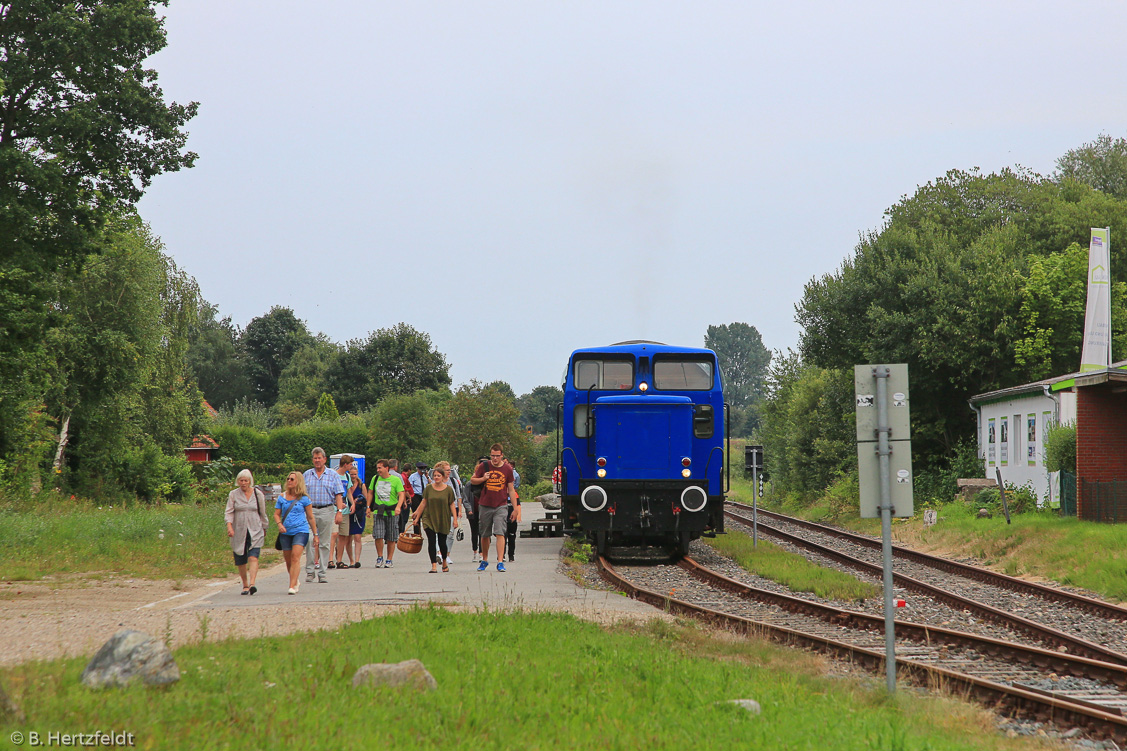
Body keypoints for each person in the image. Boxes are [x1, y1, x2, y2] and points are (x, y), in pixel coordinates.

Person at [470, 443, 518, 572]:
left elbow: (511, 490)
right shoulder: (484, 466)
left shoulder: (507, 469)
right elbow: (472, 480)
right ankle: (484, 559)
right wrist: (483, 478)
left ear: (502, 455)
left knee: (500, 533)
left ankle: (500, 561)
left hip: (501, 505)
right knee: (485, 534)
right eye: (492, 456)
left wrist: (515, 508)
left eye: (497, 456)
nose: (495, 459)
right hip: (485, 505)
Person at [304, 447, 345, 583]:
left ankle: (322, 572)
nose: (317, 460)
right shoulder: (307, 475)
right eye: (315, 458)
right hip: (310, 511)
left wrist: (339, 512)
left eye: (319, 458)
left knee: (325, 542)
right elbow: (301, 495)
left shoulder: (333, 475)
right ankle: (310, 571)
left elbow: (338, 495)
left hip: (327, 510)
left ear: (324, 459)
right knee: (310, 540)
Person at [225, 469, 269, 595]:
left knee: (253, 556)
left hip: (255, 529)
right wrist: (229, 526)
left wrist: (265, 527)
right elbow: (229, 511)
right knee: (241, 558)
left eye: (246, 481)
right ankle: (244, 584)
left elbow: (262, 511)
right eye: (241, 481)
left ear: (250, 481)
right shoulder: (233, 494)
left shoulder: (257, 494)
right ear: (238, 481)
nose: (243, 483)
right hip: (239, 530)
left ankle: (252, 583)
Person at [410, 461, 459, 573]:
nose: (436, 478)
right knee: (431, 541)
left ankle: (444, 561)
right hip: (429, 518)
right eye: (435, 476)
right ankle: (433, 565)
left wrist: (455, 519)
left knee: (442, 542)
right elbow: (423, 502)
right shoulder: (428, 488)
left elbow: (452, 504)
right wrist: (417, 517)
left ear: (443, 477)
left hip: (443, 517)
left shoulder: (448, 490)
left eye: (438, 476)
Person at [274, 471, 317, 595]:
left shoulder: (304, 498)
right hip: (286, 531)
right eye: (288, 479)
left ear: (298, 481)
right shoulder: (282, 497)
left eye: (292, 479)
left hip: (301, 530)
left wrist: (315, 534)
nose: (289, 481)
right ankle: (295, 580)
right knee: (288, 560)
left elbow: (310, 517)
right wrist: (279, 524)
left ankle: (292, 585)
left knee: (295, 557)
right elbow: (276, 514)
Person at [364, 459, 406, 568]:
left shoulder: (395, 480)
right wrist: (368, 507)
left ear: (386, 468)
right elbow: (370, 492)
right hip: (379, 511)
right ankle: (380, 557)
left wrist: (398, 507)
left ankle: (389, 559)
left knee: (391, 537)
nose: (378, 470)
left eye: (380, 468)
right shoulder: (375, 478)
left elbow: (401, 494)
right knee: (378, 535)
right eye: (377, 468)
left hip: (392, 512)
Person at [330, 455, 354, 569]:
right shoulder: (334, 475)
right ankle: (330, 559)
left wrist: (352, 503)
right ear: (345, 464)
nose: (351, 467)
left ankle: (339, 560)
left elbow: (348, 491)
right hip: (334, 509)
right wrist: (337, 503)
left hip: (345, 510)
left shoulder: (347, 476)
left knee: (344, 535)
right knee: (334, 534)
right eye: (350, 464)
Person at [346, 463, 366, 567]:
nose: (353, 476)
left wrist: (360, 501)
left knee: (357, 537)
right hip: (348, 513)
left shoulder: (361, 485)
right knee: (348, 538)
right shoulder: (346, 485)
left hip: (359, 514)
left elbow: (366, 500)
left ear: (357, 474)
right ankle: (351, 561)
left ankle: (357, 560)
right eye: (351, 474)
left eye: (355, 474)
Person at [505, 460, 522, 562]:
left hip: (511, 506)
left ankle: (511, 555)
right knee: (502, 533)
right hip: (502, 506)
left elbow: (518, 503)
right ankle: (501, 555)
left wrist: (518, 514)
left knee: (512, 533)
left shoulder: (514, 493)